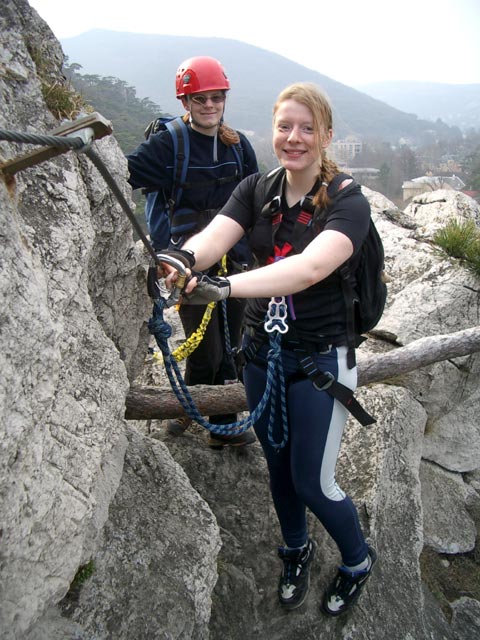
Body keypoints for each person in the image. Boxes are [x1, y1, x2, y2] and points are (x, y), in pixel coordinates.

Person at [162, 82, 377, 616]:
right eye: (285, 126)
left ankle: (356, 560)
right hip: (263, 354)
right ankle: (295, 548)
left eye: (307, 128)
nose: (294, 138)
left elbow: (309, 268)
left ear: (326, 136)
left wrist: (228, 287)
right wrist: (184, 261)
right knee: (278, 470)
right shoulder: (259, 189)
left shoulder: (349, 201)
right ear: (272, 131)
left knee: (313, 480)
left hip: (323, 358)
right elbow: (215, 236)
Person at [127, 56, 259, 448]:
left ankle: (191, 408)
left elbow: (255, 199)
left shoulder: (237, 146)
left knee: (234, 340)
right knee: (205, 347)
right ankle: (221, 421)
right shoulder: (168, 144)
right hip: (184, 263)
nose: (210, 106)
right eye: (200, 99)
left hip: (233, 259)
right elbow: (125, 173)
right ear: (185, 102)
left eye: (216, 98)